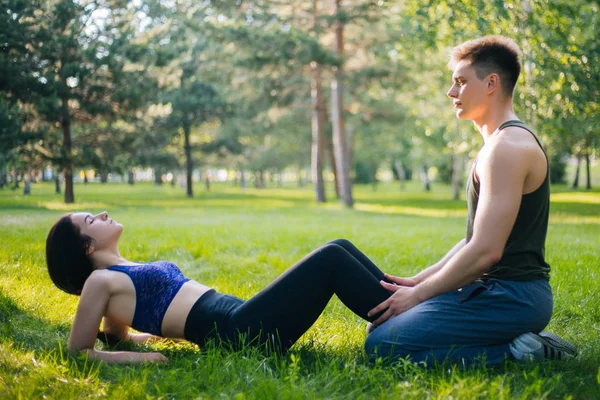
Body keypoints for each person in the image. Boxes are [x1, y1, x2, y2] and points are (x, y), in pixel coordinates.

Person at [363, 35, 576, 365]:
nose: (451, 93)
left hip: (512, 297)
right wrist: (420, 281)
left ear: (491, 83)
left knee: (383, 347)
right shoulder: (497, 146)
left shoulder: (507, 148)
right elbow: (473, 240)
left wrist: (418, 296)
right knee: (380, 328)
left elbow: (486, 252)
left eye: (460, 82)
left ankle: (523, 351)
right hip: (493, 291)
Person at [46, 211, 400, 364]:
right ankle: (407, 317)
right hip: (236, 333)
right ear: (86, 248)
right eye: (92, 220)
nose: (103, 215)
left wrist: (149, 338)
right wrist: (142, 360)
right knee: (331, 259)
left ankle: (405, 303)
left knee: (338, 245)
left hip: (239, 318)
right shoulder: (99, 280)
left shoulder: (121, 272)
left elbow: (116, 335)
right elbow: (79, 351)